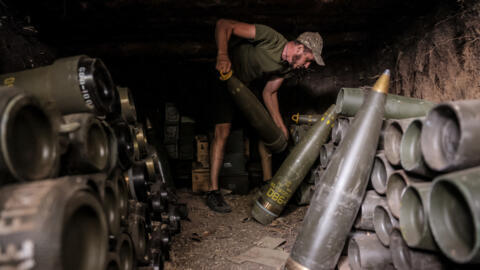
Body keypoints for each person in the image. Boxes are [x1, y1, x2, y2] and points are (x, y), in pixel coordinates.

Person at [207, 19, 325, 213]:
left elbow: (269, 92)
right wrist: (222, 55)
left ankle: (267, 183)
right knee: (223, 132)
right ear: (300, 49)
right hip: (225, 78)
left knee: (266, 132)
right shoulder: (271, 38)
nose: (306, 66)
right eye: (309, 60)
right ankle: (212, 191)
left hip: (245, 88)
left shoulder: (286, 69)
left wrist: (279, 124)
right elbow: (223, 25)